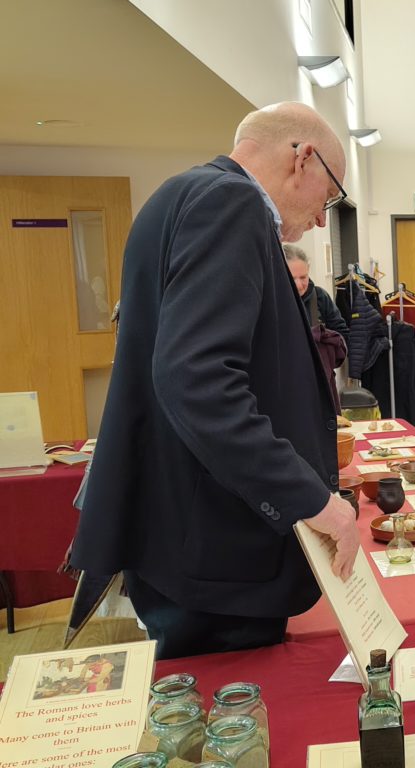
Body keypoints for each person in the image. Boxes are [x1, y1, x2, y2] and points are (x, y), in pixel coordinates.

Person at [69, 102, 360, 660]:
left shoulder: (177, 195)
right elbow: (198, 381)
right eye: (329, 197)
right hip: (217, 546)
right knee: (232, 725)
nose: (323, 219)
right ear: (302, 159)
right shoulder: (233, 203)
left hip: (186, 531)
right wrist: (313, 500)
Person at [284, 243, 349, 412]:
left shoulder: (319, 297)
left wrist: (325, 343)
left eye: (303, 277)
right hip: (285, 386)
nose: (299, 285)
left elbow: (342, 334)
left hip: (320, 384)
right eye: (292, 278)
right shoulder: (270, 302)